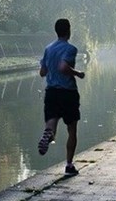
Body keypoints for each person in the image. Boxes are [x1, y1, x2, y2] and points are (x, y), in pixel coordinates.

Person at [38, 18, 85, 176]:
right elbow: (64, 66)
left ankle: (48, 134)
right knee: (72, 130)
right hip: (67, 92)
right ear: (68, 31)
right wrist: (78, 73)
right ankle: (69, 165)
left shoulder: (48, 48)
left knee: (51, 123)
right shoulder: (71, 49)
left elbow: (42, 72)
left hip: (51, 91)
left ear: (56, 31)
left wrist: (52, 69)